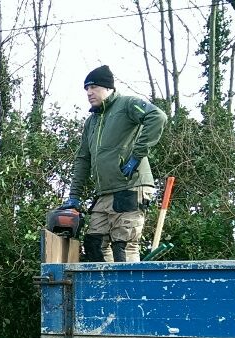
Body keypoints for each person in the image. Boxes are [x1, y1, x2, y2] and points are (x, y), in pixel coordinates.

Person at [59, 65, 167, 262]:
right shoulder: (92, 121)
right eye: (86, 89)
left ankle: (128, 283)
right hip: (105, 192)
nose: (89, 93)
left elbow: (157, 116)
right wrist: (74, 196)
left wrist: (137, 155)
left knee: (123, 245)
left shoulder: (127, 105)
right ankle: (108, 283)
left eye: (94, 87)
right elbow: (83, 159)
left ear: (108, 88)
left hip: (130, 186)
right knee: (94, 244)